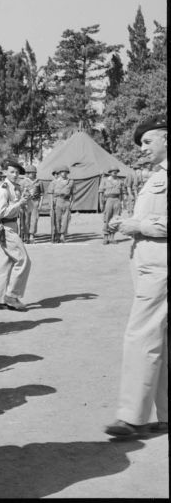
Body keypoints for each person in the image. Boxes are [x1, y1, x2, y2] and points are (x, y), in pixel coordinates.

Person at [105, 115, 167, 438]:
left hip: (160, 269)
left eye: (147, 142)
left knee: (140, 335)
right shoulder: (156, 175)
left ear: (166, 139)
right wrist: (130, 221)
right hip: (150, 266)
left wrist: (138, 226)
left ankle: (131, 416)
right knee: (162, 341)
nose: (142, 149)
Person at [0, 159, 32, 312]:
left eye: (17, 172)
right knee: (23, 260)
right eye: (12, 172)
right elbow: (0, 212)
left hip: (12, 225)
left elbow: (26, 210)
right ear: (5, 173)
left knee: (5, 263)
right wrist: (19, 203)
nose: (15, 175)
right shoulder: (3, 189)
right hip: (5, 226)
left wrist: (26, 200)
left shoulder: (16, 188)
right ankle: (12, 296)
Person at [99, 165, 125, 244]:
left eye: (116, 171)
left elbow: (122, 193)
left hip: (117, 200)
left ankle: (112, 237)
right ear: (110, 172)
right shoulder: (105, 180)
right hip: (108, 200)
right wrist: (101, 203)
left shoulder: (120, 181)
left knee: (115, 219)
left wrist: (122, 202)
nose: (115, 172)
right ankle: (106, 237)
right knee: (107, 217)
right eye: (113, 171)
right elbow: (101, 192)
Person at [48, 165, 74, 243]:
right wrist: (51, 204)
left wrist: (71, 204)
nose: (64, 173)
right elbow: (50, 193)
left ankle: (63, 235)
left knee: (65, 219)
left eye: (65, 172)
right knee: (57, 219)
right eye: (62, 172)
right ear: (59, 173)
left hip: (66, 201)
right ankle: (57, 235)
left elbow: (73, 194)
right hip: (57, 201)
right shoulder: (54, 182)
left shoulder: (71, 182)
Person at [23, 165, 44, 244]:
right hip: (26, 202)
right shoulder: (23, 182)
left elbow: (42, 194)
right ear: (27, 173)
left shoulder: (39, 182)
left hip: (35, 202)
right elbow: (20, 193)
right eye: (30, 173)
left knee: (34, 219)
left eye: (33, 172)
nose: (32, 174)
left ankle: (32, 235)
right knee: (26, 220)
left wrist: (40, 204)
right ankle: (26, 235)